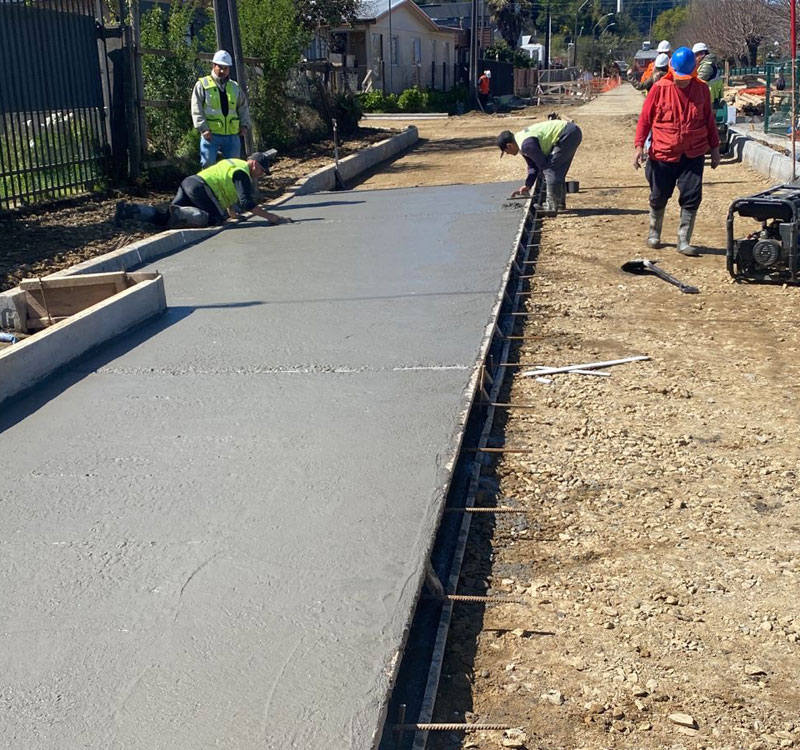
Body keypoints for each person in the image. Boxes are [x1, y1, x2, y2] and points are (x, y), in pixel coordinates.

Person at [633, 46, 721, 256]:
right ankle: (654, 232)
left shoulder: (701, 89)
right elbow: (645, 119)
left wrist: (715, 148)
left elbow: (709, 120)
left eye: (685, 78)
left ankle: (683, 240)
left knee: (692, 196)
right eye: (678, 77)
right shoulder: (659, 88)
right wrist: (639, 146)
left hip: (693, 154)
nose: (681, 81)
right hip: (663, 152)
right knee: (658, 195)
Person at [115, 152, 291, 229]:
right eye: (262, 170)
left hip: (189, 183)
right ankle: (180, 213)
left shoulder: (234, 163)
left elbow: (227, 189)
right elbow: (245, 202)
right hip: (201, 188)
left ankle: (128, 210)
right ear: (254, 164)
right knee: (215, 219)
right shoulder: (242, 173)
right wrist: (271, 217)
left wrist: (233, 215)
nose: (261, 175)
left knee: (165, 219)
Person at [497, 117, 583, 216]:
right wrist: (528, 185)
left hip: (567, 134)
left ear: (509, 146)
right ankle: (559, 203)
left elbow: (543, 166)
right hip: (570, 132)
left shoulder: (526, 145)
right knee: (556, 170)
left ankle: (551, 207)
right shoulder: (521, 143)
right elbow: (532, 166)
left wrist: (544, 178)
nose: (508, 154)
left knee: (550, 169)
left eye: (506, 151)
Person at [191, 50, 252, 168]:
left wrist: (244, 125)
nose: (223, 71)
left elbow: (243, 107)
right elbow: (196, 108)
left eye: (226, 68)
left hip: (232, 135)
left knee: (233, 167)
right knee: (208, 166)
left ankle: (230, 181)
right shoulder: (202, 85)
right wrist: (203, 128)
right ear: (214, 66)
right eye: (220, 67)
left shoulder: (234, 87)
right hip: (210, 135)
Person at [693, 42, 724, 108]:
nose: (695, 58)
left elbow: (699, 80)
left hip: (710, 97)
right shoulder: (705, 64)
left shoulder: (707, 66)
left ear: (702, 54)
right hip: (709, 96)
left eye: (696, 55)